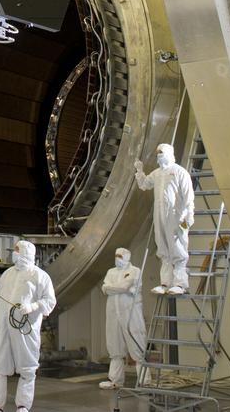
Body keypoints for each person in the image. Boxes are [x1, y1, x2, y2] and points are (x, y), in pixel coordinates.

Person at [0, 240, 57, 412]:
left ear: (25, 253)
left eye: (16, 250)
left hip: (25, 330)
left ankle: (23, 406)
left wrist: (33, 306)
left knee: (27, 367)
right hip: (4, 328)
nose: (13, 253)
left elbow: (50, 301)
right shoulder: (8, 274)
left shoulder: (40, 276)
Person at [134, 143, 194, 294]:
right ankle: (166, 283)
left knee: (177, 247)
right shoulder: (157, 173)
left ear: (169, 153)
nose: (159, 155)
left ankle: (180, 284)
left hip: (176, 216)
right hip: (159, 214)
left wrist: (189, 216)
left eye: (161, 152)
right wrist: (139, 170)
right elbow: (144, 184)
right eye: (157, 153)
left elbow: (188, 197)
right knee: (162, 247)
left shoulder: (179, 172)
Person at [98, 248, 146, 389]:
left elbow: (124, 287)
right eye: (116, 256)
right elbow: (104, 288)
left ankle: (144, 381)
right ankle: (115, 380)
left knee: (136, 340)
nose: (117, 258)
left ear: (126, 257)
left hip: (130, 312)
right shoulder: (111, 272)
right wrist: (116, 288)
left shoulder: (135, 271)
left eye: (120, 256)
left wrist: (112, 288)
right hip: (113, 312)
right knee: (114, 344)